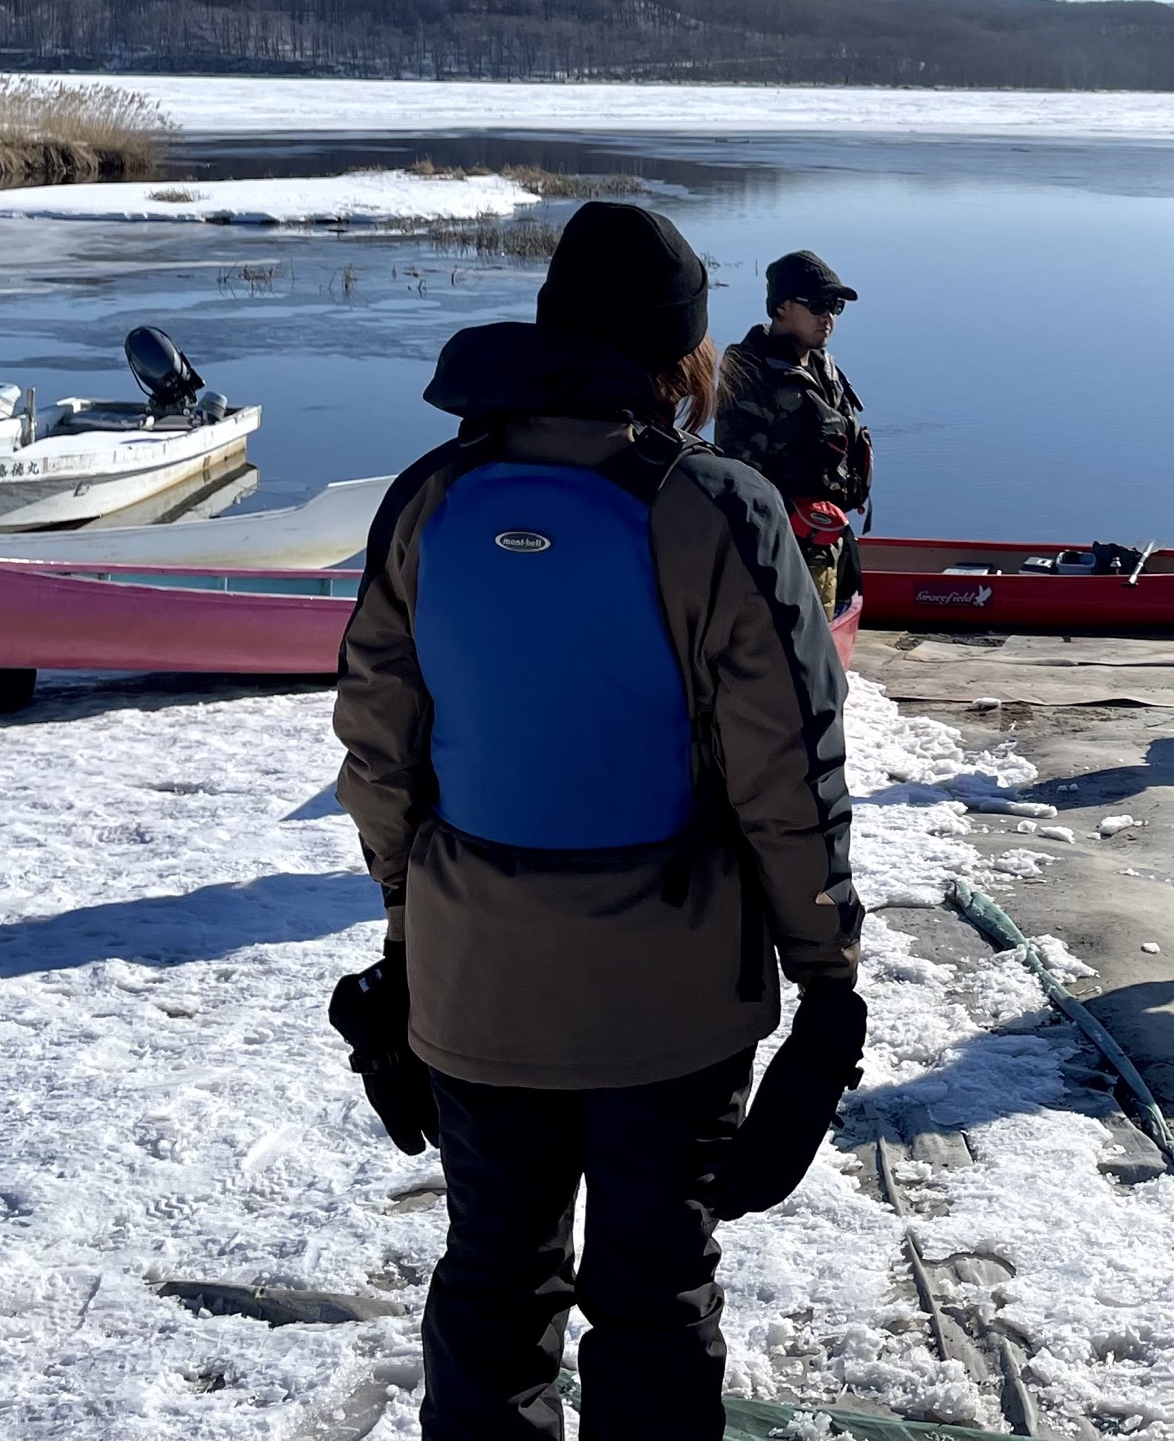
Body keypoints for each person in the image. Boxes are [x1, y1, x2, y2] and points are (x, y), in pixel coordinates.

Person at [330, 202, 864, 1441]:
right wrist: (827, 984)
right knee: (652, 1301)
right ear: (683, 355)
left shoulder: (430, 497)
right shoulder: (716, 509)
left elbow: (379, 748)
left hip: (476, 992)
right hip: (668, 1010)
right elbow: (789, 771)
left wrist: (414, 942)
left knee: (491, 1288)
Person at [716, 249, 872, 616]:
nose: (828, 317)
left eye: (835, 306)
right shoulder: (749, 373)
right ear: (781, 306)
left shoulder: (823, 366)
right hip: (781, 555)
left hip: (831, 538)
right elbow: (739, 479)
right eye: (818, 305)